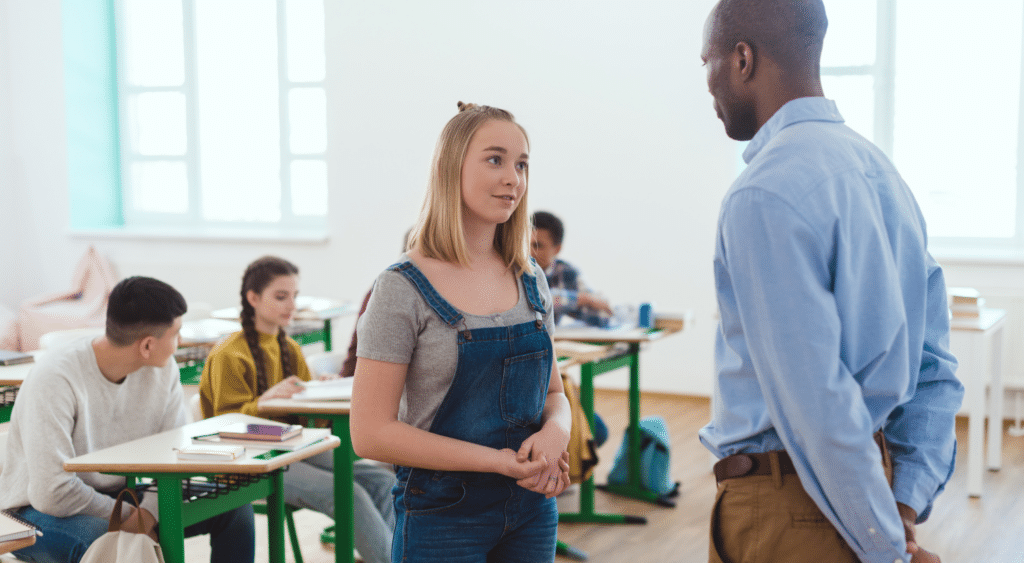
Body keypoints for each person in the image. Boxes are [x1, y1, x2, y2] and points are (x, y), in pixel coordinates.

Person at [697, 1, 965, 563]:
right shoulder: (883, 176)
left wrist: (887, 550)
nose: (709, 86)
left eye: (709, 64)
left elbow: (816, 405)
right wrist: (904, 505)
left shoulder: (762, 194)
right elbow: (934, 368)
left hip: (791, 511)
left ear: (742, 59)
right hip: (871, 493)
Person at [351, 102, 573, 563]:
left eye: (522, 164)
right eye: (495, 159)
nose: (514, 178)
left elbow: (554, 393)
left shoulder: (530, 277)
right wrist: (495, 460)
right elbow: (370, 433)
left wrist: (557, 433)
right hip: (443, 516)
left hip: (531, 508)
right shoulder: (401, 288)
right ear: (451, 167)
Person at [0, 276, 255, 563]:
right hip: (34, 511)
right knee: (111, 540)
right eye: (176, 334)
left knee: (234, 508)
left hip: (123, 495)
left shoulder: (163, 368)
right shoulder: (54, 378)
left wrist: (146, 513)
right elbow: (51, 493)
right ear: (146, 346)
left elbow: (176, 457)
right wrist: (131, 516)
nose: (180, 342)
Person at [198, 255, 396, 563]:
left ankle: (394, 555)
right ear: (253, 298)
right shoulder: (229, 353)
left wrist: (322, 390)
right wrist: (264, 402)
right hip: (249, 458)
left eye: (294, 296)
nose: (291, 304)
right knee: (349, 494)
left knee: (383, 482)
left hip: (292, 445)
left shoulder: (289, 348)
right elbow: (225, 426)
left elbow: (306, 418)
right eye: (280, 297)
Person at [530, 210, 613, 325]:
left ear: (557, 249)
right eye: (523, 244)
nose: (529, 251)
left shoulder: (566, 272)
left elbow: (603, 314)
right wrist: (581, 299)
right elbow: (534, 301)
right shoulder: (512, 269)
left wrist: (571, 303)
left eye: (537, 245)